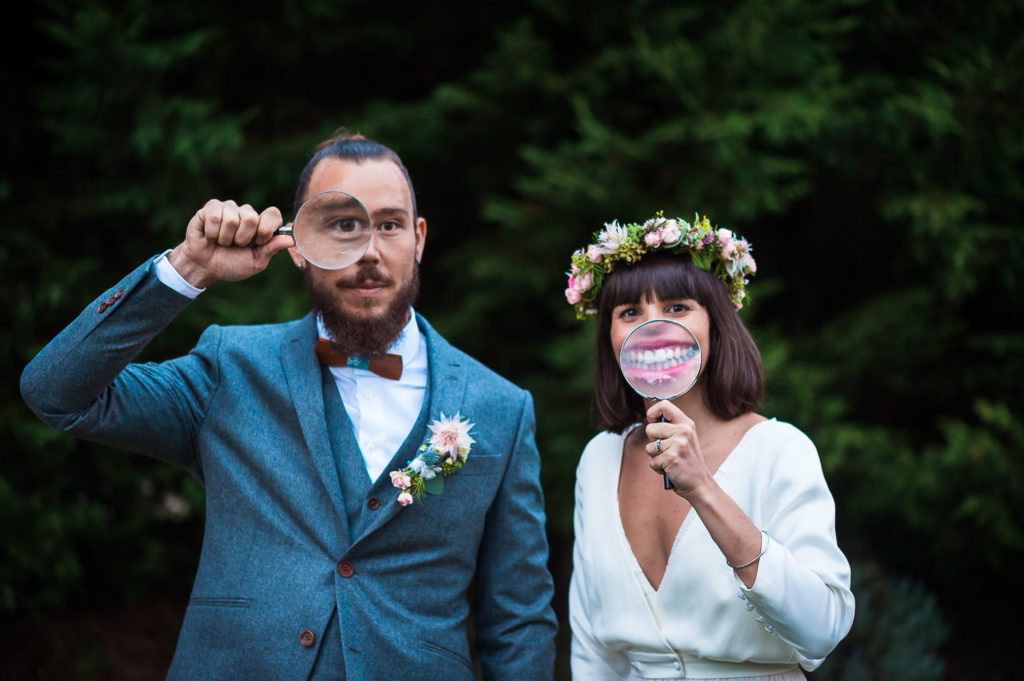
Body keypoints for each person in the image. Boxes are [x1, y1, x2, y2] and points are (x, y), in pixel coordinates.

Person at [20, 133, 557, 680]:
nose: (369, 251)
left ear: (418, 239)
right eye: (342, 225)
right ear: (297, 244)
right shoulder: (231, 368)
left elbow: (517, 624)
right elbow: (56, 393)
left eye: (390, 225)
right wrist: (189, 268)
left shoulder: (500, 409)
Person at [564, 215, 854, 679]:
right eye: (630, 312)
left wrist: (702, 487)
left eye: (678, 307)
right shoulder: (599, 459)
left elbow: (823, 629)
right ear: (610, 336)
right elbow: (593, 650)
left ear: (715, 325)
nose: (654, 327)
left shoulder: (780, 450)